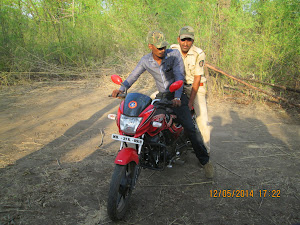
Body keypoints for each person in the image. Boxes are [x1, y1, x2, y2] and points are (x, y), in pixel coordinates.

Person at [111, 30, 214, 178]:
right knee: (147, 119)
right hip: (162, 95)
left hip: (177, 94)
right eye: (159, 48)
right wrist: (122, 89)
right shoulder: (146, 60)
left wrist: (178, 97)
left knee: (190, 128)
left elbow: (179, 76)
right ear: (150, 46)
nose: (162, 50)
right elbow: (134, 75)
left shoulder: (174, 55)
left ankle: (205, 161)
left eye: (164, 47)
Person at [170, 26, 211, 155]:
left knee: (202, 119)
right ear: (178, 39)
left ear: (193, 41)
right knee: (154, 101)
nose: (186, 43)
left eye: (189, 40)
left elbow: (197, 79)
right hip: (177, 85)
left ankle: (206, 152)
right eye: (183, 40)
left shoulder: (199, 53)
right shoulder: (172, 49)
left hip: (195, 87)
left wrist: (190, 102)